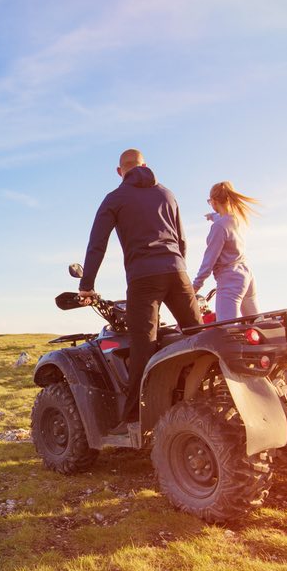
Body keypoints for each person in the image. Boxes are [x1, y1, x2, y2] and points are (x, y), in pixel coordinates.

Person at [78, 148, 202, 436]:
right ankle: (204, 398)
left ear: (120, 171)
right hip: (176, 271)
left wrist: (87, 285)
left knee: (143, 345)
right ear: (146, 165)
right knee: (196, 336)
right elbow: (182, 240)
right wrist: (177, 268)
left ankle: (134, 417)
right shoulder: (167, 194)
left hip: (144, 278)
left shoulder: (115, 198)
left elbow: (97, 243)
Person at [192, 181, 260, 321]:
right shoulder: (237, 219)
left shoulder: (219, 227)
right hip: (246, 275)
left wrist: (195, 286)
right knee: (257, 323)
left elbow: (209, 260)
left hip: (230, 278)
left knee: (227, 329)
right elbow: (222, 217)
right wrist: (211, 216)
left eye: (210, 201)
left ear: (215, 201)